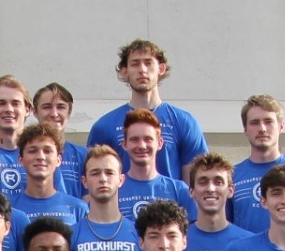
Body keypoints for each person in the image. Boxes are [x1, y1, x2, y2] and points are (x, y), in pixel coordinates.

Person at [85, 39, 207, 181]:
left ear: (161, 69)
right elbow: (92, 184)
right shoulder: (105, 126)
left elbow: (196, 183)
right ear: (125, 71)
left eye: (148, 63)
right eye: (135, 64)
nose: (142, 70)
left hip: (171, 202)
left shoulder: (184, 122)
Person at [71, 145, 141, 251]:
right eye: (95, 173)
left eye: (109, 173)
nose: (103, 179)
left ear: (121, 179)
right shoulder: (72, 234)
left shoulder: (138, 232)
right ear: (84, 181)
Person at [229, 95, 285, 231]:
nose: (262, 128)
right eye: (254, 123)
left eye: (268, 121)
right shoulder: (232, 175)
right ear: (245, 129)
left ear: (281, 127)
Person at [180, 153, 249, 251]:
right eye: (203, 182)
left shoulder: (248, 242)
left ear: (230, 191)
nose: (210, 189)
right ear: (191, 191)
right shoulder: (176, 241)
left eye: (218, 182)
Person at [116, 109, 195, 225]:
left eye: (148, 139)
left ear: (160, 143)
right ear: (124, 144)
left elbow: (191, 236)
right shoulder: (113, 190)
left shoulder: (179, 190)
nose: (142, 146)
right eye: (134, 140)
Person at [10, 122, 87, 227]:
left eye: (47, 151)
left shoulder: (78, 208)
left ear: (59, 160)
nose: (41, 157)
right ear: (20, 160)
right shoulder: (10, 209)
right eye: (32, 151)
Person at [32, 82, 88, 195]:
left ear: (69, 112)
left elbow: (88, 198)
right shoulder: (25, 155)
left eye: (61, 107)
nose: (54, 113)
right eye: (47, 107)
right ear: (35, 112)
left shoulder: (83, 156)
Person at [0, 75, 31, 194]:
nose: (9, 109)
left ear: (27, 109)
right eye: (1, 103)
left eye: (15, 103)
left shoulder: (40, 156)